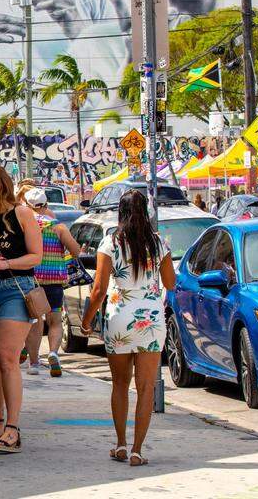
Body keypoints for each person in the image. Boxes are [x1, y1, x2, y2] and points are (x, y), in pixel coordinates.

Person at [81, 189, 176, 467]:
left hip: (119, 318)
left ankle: (120, 444)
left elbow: (98, 290)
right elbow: (170, 283)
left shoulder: (110, 244)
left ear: (119, 213)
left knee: (120, 385)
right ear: (146, 212)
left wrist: (87, 321)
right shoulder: (159, 244)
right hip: (150, 321)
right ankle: (137, 450)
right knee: (146, 387)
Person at [0, 165, 42, 454]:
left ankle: (13, 427)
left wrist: (6, 262)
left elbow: (35, 256)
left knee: (7, 357)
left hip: (16, 288)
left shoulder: (22, 214)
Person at [21, 188, 82, 378]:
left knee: (35, 321)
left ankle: (34, 363)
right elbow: (76, 251)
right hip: (54, 281)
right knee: (55, 321)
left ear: (27, 206)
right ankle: (54, 353)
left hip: (32, 281)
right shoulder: (58, 227)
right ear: (46, 204)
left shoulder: (25, 226)